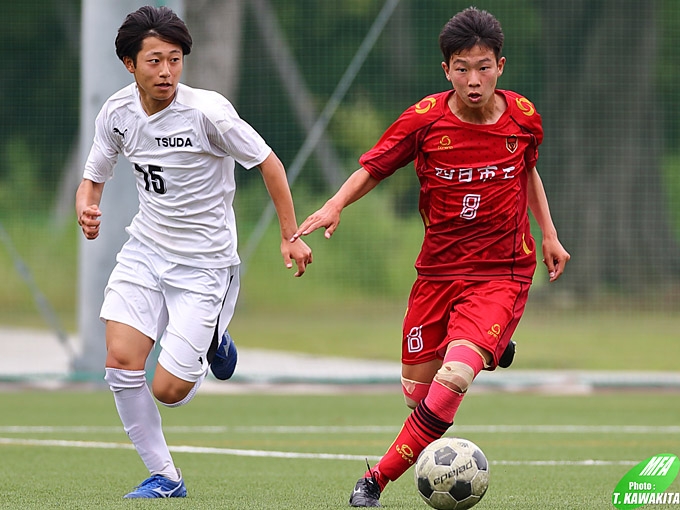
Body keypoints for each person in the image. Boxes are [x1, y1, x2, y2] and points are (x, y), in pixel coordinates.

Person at [291, 7, 569, 507]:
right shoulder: (424, 120)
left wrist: (548, 233)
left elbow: (527, 171)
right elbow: (374, 167)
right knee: (418, 398)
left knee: (453, 379)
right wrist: (335, 204)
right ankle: (493, 343)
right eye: (462, 68)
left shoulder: (524, 116)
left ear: (500, 66)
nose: (473, 80)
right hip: (437, 273)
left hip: (501, 272)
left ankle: (374, 480)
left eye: (483, 67)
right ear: (446, 70)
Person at [75, 5, 312, 499]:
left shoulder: (208, 112)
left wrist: (290, 235)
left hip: (205, 265)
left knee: (168, 391)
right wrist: (87, 207)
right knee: (120, 363)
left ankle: (214, 341)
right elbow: (93, 177)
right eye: (154, 61)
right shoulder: (116, 113)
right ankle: (165, 477)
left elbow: (269, 163)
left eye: (175, 59)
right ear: (129, 64)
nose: (166, 71)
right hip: (145, 250)